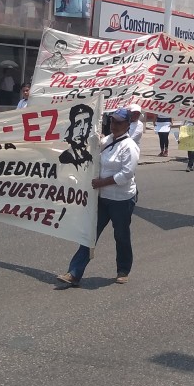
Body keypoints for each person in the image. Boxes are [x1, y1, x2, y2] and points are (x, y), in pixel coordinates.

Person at [57, 108, 139, 287]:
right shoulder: (107, 140)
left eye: (119, 122)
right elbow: (91, 154)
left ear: (127, 124)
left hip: (121, 200)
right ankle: (74, 273)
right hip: (101, 198)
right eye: (112, 122)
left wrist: (101, 182)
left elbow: (125, 175)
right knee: (89, 234)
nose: (114, 126)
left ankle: (123, 270)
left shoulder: (130, 147)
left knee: (121, 235)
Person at [59, 104, 94, 169]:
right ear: (71, 127)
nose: (82, 128)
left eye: (86, 122)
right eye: (78, 123)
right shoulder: (65, 158)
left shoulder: (93, 154)